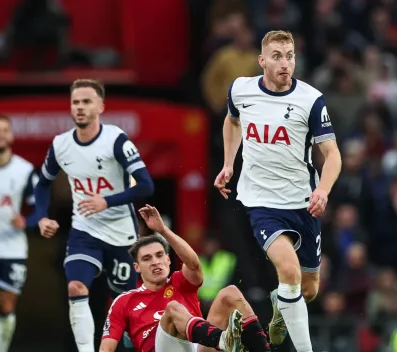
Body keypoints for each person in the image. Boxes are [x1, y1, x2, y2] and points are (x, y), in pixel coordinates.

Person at [214, 30, 342, 352]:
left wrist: (323, 191)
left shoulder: (310, 100)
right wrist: (229, 163)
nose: (285, 63)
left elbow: (333, 154)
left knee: (308, 289)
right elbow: (232, 121)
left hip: (303, 201)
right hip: (260, 201)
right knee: (288, 270)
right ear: (262, 61)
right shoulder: (241, 90)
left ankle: (280, 304)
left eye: (290, 56)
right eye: (277, 56)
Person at [34, 79, 155, 352]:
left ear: (100, 106)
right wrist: (42, 215)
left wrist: (107, 201)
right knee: (76, 287)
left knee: (125, 305)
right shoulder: (61, 145)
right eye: (75, 102)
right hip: (84, 232)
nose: (80, 107)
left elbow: (147, 185)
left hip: (121, 234)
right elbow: (42, 183)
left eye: (86, 102)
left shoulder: (116, 140)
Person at [100, 205, 271, 352]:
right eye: (147, 258)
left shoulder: (180, 282)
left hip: (199, 346)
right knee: (173, 308)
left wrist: (163, 231)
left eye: (160, 255)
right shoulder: (125, 301)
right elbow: (106, 348)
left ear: (168, 260)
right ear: (136, 267)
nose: (155, 262)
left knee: (230, 293)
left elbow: (194, 265)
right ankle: (224, 340)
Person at [0, 115, 39, 351]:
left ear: (11, 135)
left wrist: (27, 220)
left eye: (4, 130)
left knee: (7, 305)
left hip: (12, 248)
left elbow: (39, 206)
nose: (0, 135)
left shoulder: (24, 170)